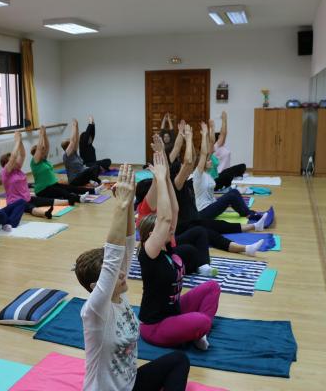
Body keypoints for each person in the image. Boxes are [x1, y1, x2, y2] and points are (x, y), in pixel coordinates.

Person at [75, 164, 190, 391]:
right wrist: (120, 206)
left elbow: (126, 245)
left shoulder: (120, 292)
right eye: (114, 275)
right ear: (96, 286)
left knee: (179, 360)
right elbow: (112, 259)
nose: (122, 273)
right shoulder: (95, 311)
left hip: (131, 384)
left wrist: (129, 204)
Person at [137, 155, 221, 350]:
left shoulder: (168, 248)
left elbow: (173, 211)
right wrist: (158, 179)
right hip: (155, 326)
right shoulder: (148, 253)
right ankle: (199, 330)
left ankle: (200, 334)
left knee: (212, 287)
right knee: (202, 321)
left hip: (174, 311)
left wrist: (166, 178)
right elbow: (165, 218)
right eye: (163, 228)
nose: (170, 227)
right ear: (152, 235)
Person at [151, 131, 266, 257]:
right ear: (177, 173)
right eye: (181, 167)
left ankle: (254, 226)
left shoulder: (188, 181)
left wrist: (189, 139)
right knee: (210, 234)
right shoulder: (176, 185)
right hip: (183, 228)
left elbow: (192, 159)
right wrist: (189, 139)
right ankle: (246, 248)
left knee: (219, 225)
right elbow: (188, 162)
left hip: (194, 221)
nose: (185, 167)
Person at [193, 121, 264, 221]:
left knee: (234, 192)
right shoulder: (198, 175)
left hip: (211, 205)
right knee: (231, 195)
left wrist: (211, 129)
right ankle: (249, 215)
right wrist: (204, 135)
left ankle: (247, 213)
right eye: (207, 160)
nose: (210, 161)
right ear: (201, 163)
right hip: (204, 212)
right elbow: (204, 153)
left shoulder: (207, 173)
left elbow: (211, 145)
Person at [0, 130, 70, 219]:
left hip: (28, 198)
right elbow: (14, 156)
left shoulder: (17, 169)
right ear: (6, 163)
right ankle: (45, 213)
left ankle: (70, 200)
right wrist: (17, 141)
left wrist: (20, 141)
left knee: (48, 201)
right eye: (11, 161)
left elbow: (22, 154)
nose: (15, 161)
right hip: (16, 202)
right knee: (31, 208)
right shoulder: (5, 172)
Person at [30, 125, 95, 204]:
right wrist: (41, 134)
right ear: (36, 153)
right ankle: (79, 198)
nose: (44, 152)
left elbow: (47, 146)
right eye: (42, 151)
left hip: (52, 185)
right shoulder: (35, 162)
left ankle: (93, 190)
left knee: (70, 188)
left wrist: (44, 134)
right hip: (42, 190)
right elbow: (40, 148)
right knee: (62, 192)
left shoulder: (44, 160)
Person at [61, 119, 107, 188]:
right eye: (70, 145)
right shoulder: (66, 155)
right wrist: (73, 126)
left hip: (81, 176)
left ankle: (93, 182)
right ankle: (96, 182)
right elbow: (73, 141)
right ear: (68, 147)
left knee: (96, 167)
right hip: (74, 180)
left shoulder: (74, 152)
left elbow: (76, 140)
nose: (73, 145)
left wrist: (76, 126)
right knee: (94, 168)